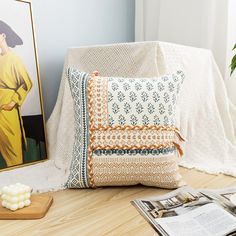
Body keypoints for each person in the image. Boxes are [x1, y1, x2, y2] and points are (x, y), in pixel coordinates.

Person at [0, 20, 33, 167]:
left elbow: (27, 83)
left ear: (3, 35)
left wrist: (12, 103)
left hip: (7, 111)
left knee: (13, 153)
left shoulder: (14, 59)